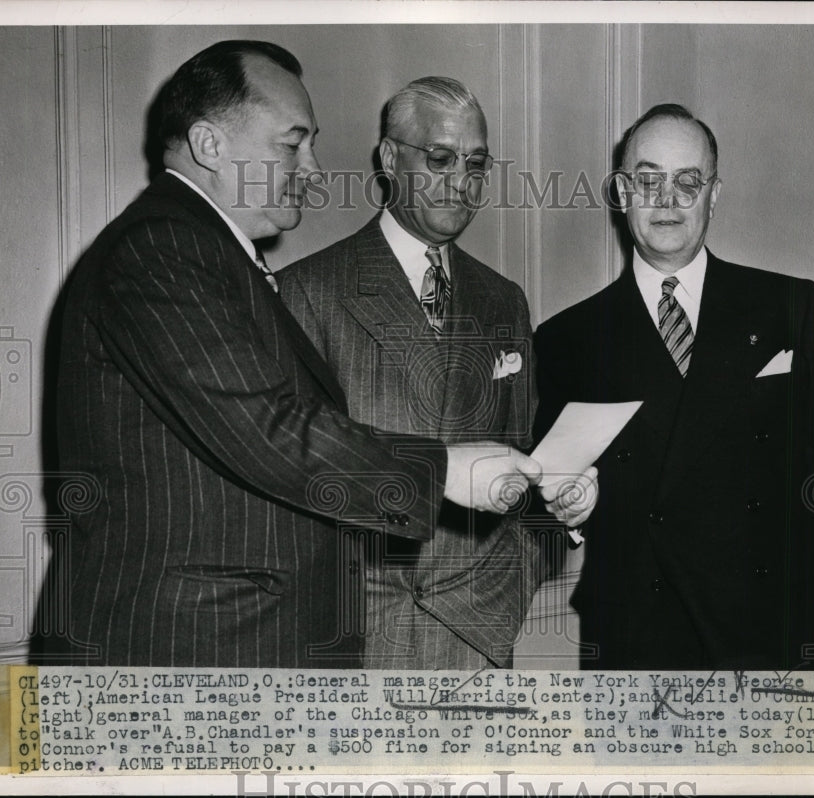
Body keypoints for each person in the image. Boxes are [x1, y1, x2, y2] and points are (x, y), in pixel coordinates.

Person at [53, 42, 544, 668]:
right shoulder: (163, 247)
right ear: (209, 145)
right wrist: (444, 471)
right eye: (292, 144)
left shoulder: (210, 254)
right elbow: (265, 429)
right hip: (194, 650)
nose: (313, 169)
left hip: (244, 641)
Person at [533, 103, 814, 670]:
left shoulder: (790, 305)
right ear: (621, 192)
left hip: (773, 621)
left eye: (688, 181)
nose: (668, 200)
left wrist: (783, 561)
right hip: (638, 630)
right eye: (649, 180)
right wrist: (568, 511)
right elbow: (547, 489)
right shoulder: (567, 337)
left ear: (714, 194)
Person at [280, 77, 595, 669]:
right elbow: (292, 472)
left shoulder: (503, 301)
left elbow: (524, 460)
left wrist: (556, 515)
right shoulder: (308, 291)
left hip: (477, 637)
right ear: (390, 158)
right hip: (354, 644)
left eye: (475, 163)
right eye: (441, 158)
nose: (461, 181)